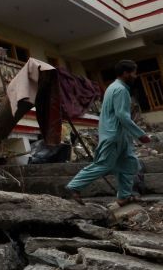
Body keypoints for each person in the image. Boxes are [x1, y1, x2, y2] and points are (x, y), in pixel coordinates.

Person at [65, 60, 151, 206]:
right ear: (125, 73)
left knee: (129, 164)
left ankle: (124, 196)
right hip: (114, 135)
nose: (135, 76)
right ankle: (74, 186)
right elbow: (122, 115)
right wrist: (140, 134)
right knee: (103, 164)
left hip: (119, 136)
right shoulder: (120, 90)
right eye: (133, 73)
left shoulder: (114, 87)